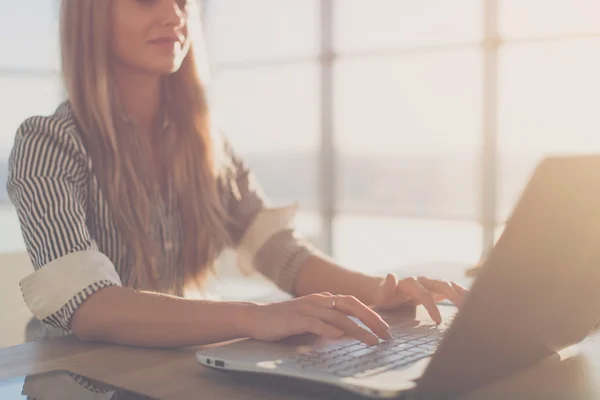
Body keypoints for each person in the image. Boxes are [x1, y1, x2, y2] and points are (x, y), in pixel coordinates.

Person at [7, 0, 467, 348]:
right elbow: (89, 304)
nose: (174, 14)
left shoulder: (206, 145)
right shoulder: (47, 144)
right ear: (91, 17)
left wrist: (376, 291)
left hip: (167, 367)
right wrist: (255, 317)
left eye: (183, 1)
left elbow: (277, 251)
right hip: (73, 378)